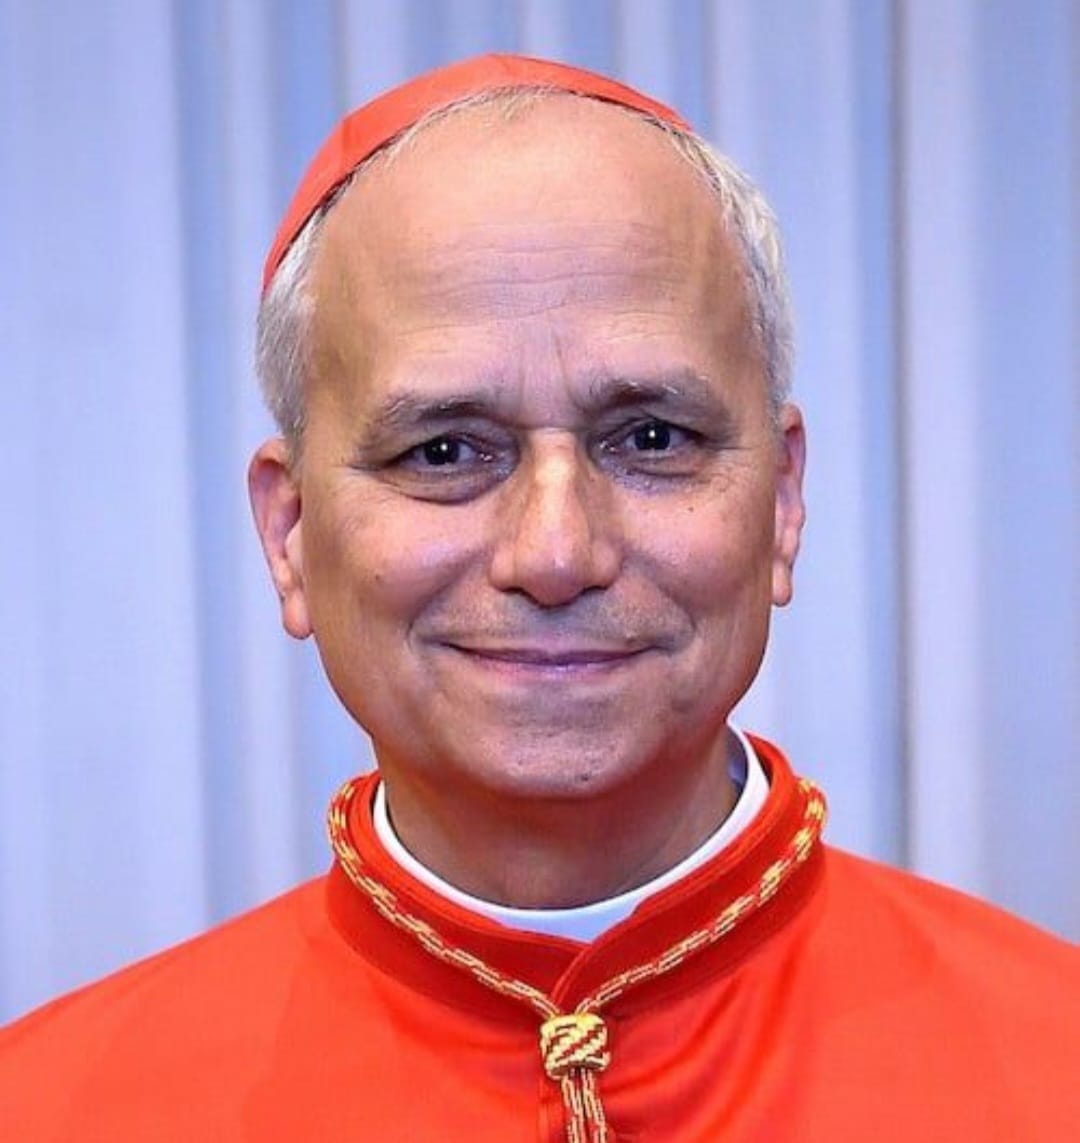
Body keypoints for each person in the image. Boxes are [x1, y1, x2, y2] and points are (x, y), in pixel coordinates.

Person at [1, 54, 1075, 1142]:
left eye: (651, 438)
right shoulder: (50, 1106)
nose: (557, 553)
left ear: (784, 502)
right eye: (445, 451)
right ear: (290, 532)